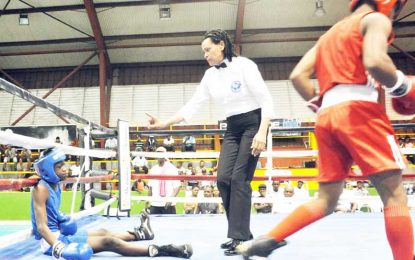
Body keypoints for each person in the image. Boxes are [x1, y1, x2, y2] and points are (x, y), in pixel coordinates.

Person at [237, 1, 414, 259]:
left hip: (327, 116)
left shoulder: (328, 36)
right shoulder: (375, 20)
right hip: (362, 111)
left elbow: (298, 75)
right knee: (394, 196)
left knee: (326, 199)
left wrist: (324, 109)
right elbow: (375, 61)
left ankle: (269, 239)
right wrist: (402, 86)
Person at [146, 29, 274, 256]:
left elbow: (266, 99)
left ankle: (239, 237)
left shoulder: (245, 65)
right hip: (232, 127)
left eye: (208, 49)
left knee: (239, 179)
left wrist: (262, 132)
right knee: (223, 179)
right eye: (203, 51)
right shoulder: (210, 76)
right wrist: (164, 123)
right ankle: (240, 233)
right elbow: (193, 105)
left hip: (254, 123)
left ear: (221, 44)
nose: (205, 55)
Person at [31, 147, 193, 259]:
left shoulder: (56, 184)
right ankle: (165, 250)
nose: (65, 169)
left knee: (103, 231)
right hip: (52, 242)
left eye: (64, 164)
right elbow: (41, 226)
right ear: (48, 171)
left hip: (61, 235)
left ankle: (140, 234)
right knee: (109, 242)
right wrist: (58, 247)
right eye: (60, 167)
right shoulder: (41, 189)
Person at [145, 146, 182, 214]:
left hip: (168, 204)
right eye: (158, 153)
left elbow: (178, 186)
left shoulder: (172, 168)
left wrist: (170, 199)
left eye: (161, 153)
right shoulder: (153, 169)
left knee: (169, 224)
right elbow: (150, 188)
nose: (160, 155)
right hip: (155, 204)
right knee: (154, 224)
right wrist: (146, 203)